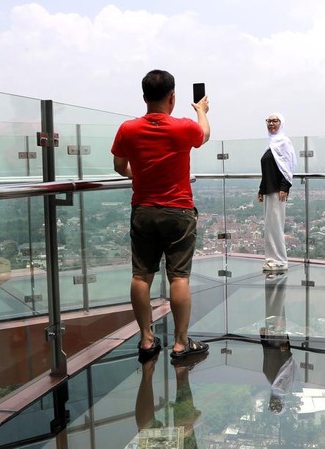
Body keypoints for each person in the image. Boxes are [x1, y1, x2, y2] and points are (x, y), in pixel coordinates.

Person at [112, 69, 210, 362]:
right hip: (178, 211)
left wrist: (139, 175)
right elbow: (204, 134)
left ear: (144, 97)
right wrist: (201, 110)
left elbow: (120, 166)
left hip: (143, 209)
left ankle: (146, 339)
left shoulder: (127, 129)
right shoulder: (183, 128)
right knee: (178, 277)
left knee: (141, 276)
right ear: (172, 97)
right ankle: (181, 344)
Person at [258, 113, 297, 272]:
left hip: (278, 191)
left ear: (282, 123)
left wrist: (285, 187)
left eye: (275, 121)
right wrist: (261, 189)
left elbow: (289, 166)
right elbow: (267, 171)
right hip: (269, 190)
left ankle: (280, 260)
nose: (271, 123)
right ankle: (271, 259)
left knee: (276, 226)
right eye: (269, 121)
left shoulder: (284, 142)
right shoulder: (271, 144)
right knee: (270, 227)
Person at [260, 272, 296, 415]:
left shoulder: (284, 387)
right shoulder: (275, 383)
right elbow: (283, 361)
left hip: (277, 340)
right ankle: (275, 282)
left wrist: (283, 343)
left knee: (276, 311)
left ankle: (276, 282)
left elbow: (286, 362)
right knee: (275, 310)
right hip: (275, 340)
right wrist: (264, 340)